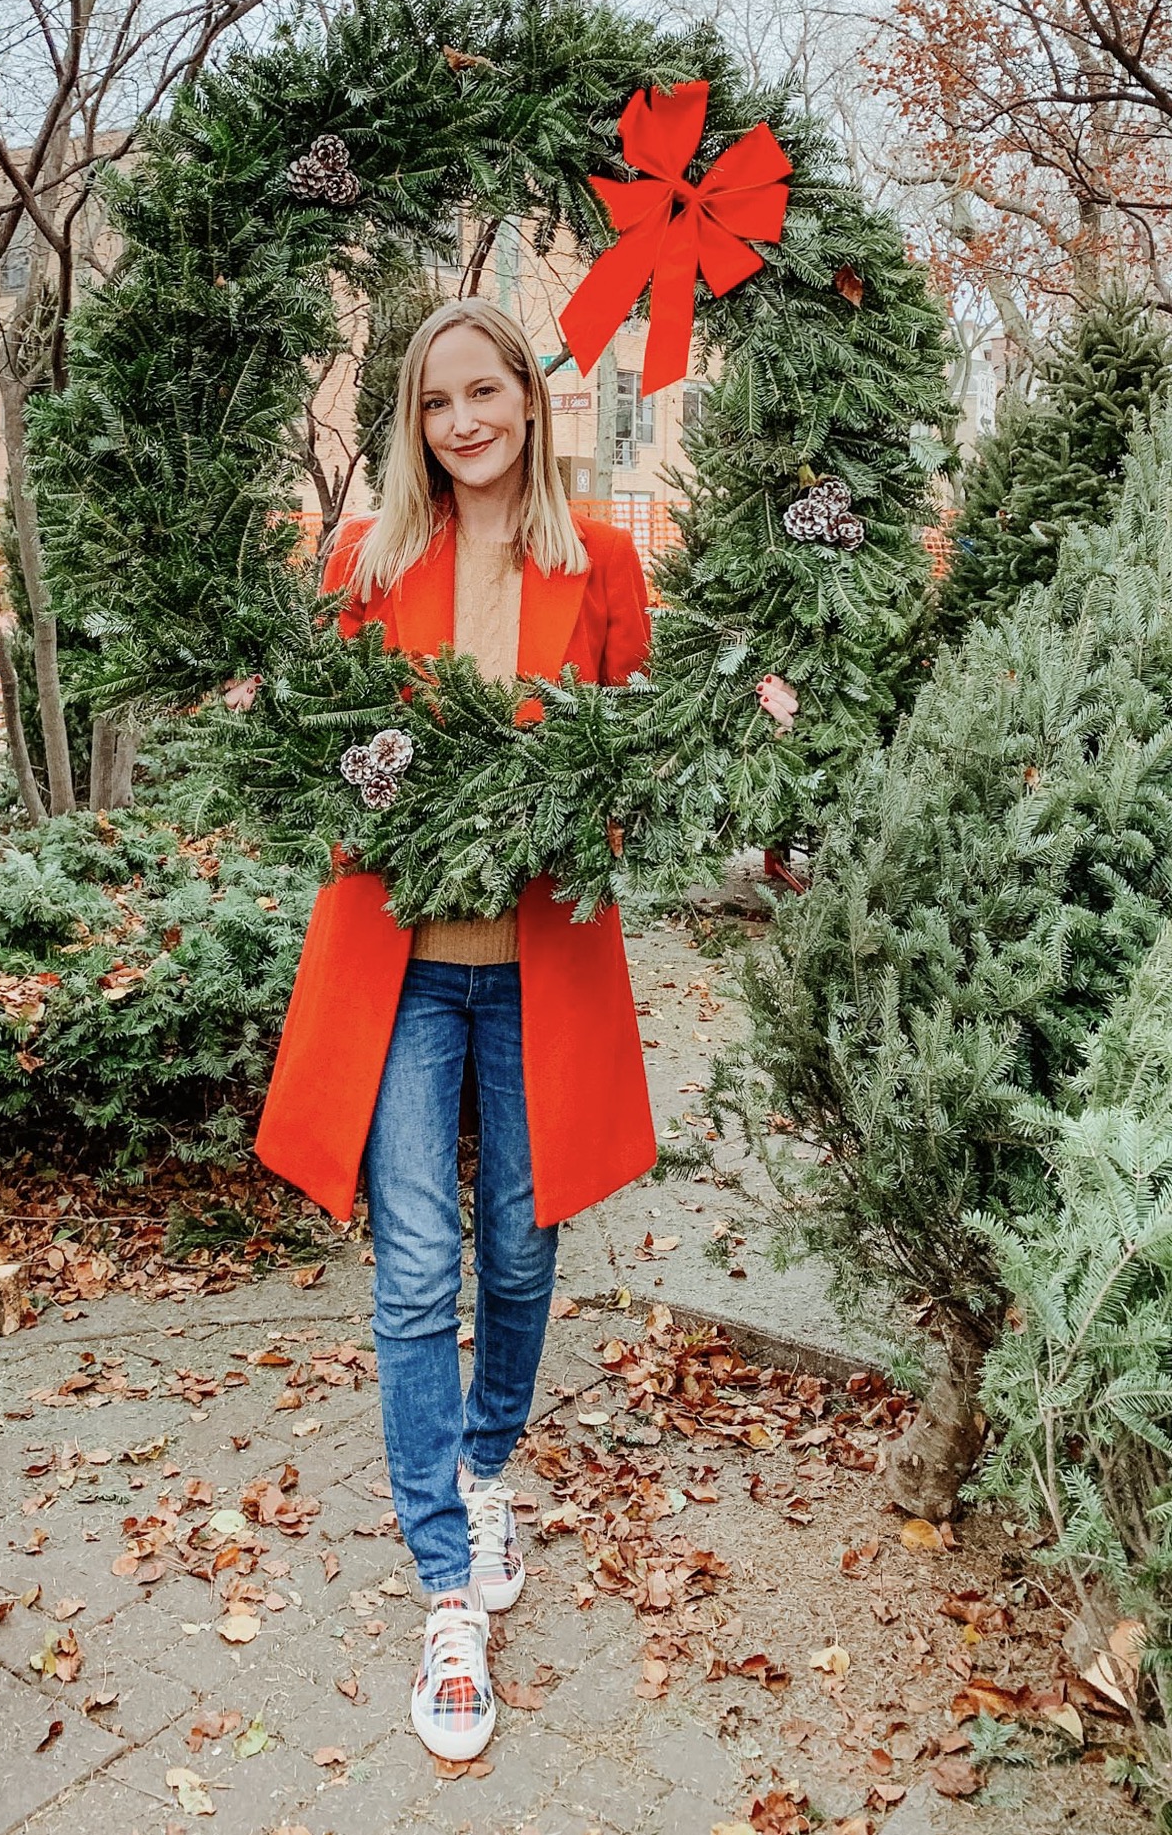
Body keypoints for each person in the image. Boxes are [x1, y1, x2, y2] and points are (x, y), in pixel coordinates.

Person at [255, 297, 796, 1761]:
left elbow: (640, 747)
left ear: (529, 400)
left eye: (483, 391)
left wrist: (739, 710)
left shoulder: (601, 562)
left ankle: (487, 1458)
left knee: (522, 1236)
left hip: (539, 959)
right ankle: (444, 1579)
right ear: (411, 422)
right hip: (401, 967)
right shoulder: (362, 563)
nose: (462, 421)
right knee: (417, 1257)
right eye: (435, 402)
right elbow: (311, 759)